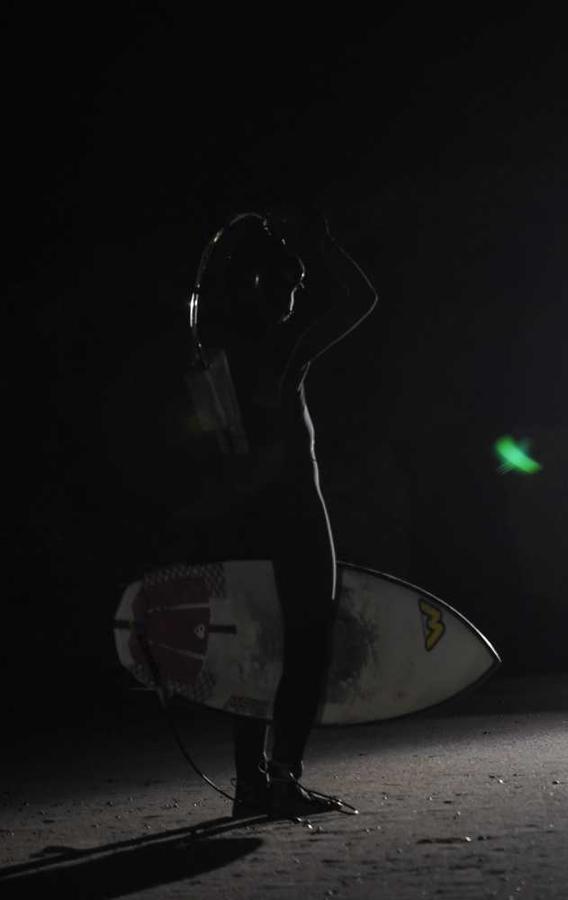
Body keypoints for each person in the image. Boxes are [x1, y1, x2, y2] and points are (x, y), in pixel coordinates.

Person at [172, 208, 378, 817]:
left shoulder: (210, 353)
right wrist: (326, 242)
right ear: (262, 284)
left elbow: (211, 446)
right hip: (292, 513)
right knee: (308, 642)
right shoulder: (280, 347)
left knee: (252, 650)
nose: (296, 297)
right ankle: (283, 777)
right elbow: (363, 299)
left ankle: (249, 785)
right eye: (289, 286)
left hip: (239, 518)